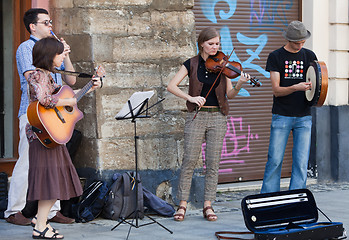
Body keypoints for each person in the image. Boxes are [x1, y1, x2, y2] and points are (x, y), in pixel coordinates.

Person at [167, 27, 250, 221]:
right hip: (196, 116)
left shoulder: (224, 66)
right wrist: (191, 97)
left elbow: (229, 95)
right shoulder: (191, 64)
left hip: (218, 117)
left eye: (217, 44)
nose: (215, 47)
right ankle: (182, 205)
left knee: (213, 163)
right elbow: (171, 86)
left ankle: (208, 205)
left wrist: (238, 85)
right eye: (211, 44)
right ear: (201, 44)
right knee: (189, 161)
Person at [5, 8, 76, 225]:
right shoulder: (27, 48)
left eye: (50, 21)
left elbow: (71, 81)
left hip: (54, 116)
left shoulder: (54, 50)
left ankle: (50, 211)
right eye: (45, 22)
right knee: (28, 161)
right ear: (32, 26)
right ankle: (15, 210)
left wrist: (66, 54)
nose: (50, 26)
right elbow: (32, 79)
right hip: (34, 114)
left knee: (50, 165)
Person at [27, 37, 101, 239]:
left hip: (53, 134)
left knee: (55, 181)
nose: (62, 57)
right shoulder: (37, 75)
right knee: (49, 181)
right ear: (50, 55)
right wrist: (68, 99)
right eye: (60, 54)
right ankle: (40, 226)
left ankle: (41, 221)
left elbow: (66, 100)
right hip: (43, 137)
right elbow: (45, 100)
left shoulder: (50, 76)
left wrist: (89, 88)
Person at [260, 21, 317, 193]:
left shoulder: (309, 56)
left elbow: (317, 83)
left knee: (301, 162)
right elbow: (276, 90)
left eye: (302, 42)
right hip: (282, 115)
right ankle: (269, 199)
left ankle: (297, 199)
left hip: (304, 116)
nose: (300, 45)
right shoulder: (276, 56)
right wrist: (296, 87)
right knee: (275, 160)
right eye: (296, 42)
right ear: (288, 39)